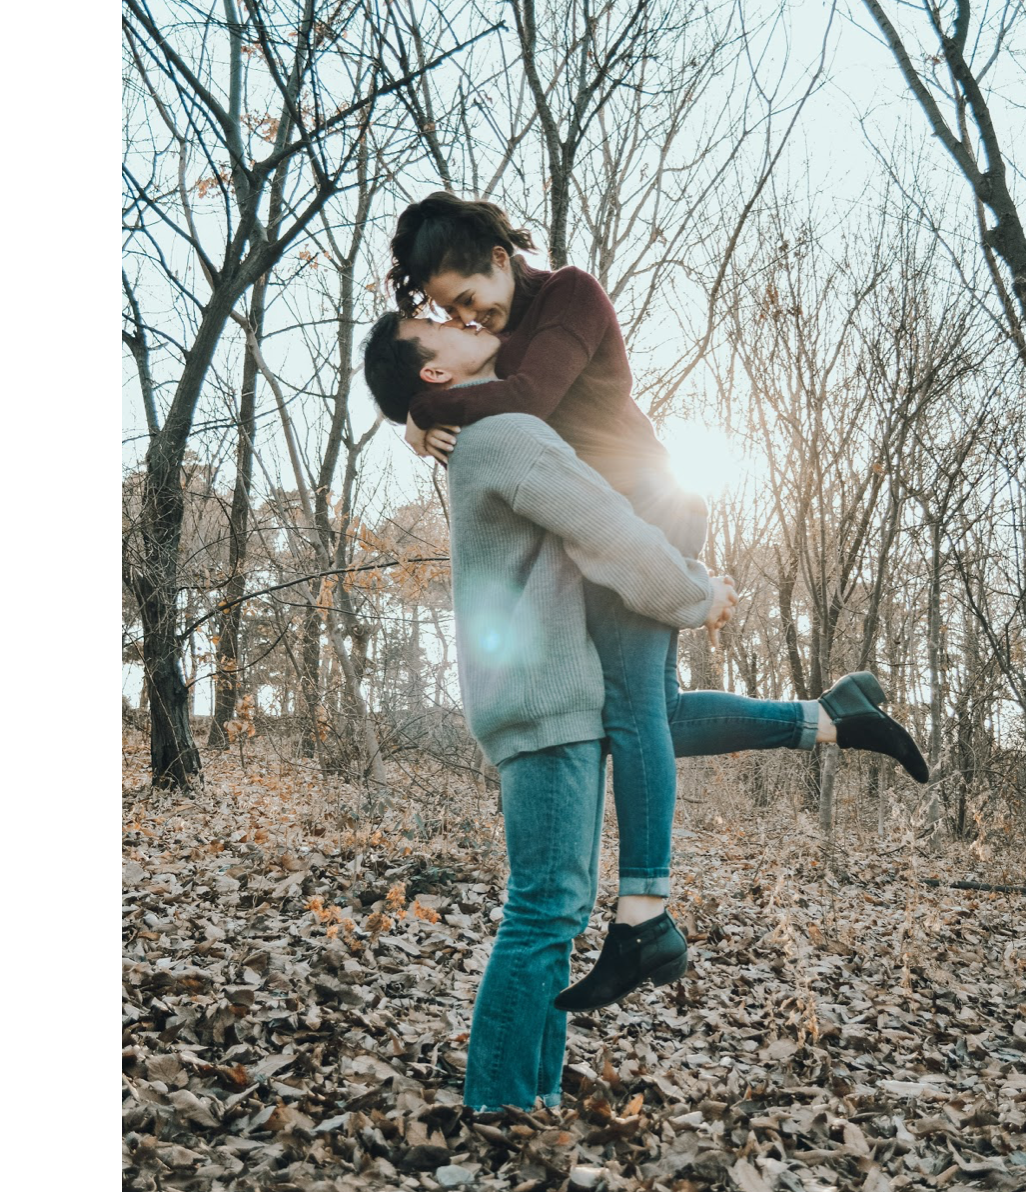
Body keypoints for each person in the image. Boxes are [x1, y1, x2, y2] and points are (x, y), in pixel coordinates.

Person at [366, 194, 929, 1013]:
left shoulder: (571, 296)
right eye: (451, 313)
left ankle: (643, 917)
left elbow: (526, 399)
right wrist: (418, 411)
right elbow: (480, 393)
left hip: (645, 514)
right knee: (650, 712)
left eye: (469, 297)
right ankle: (832, 717)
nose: (468, 317)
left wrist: (422, 410)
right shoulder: (493, 338)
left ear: (498, 256)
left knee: (632, 713)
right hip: (609, 525)